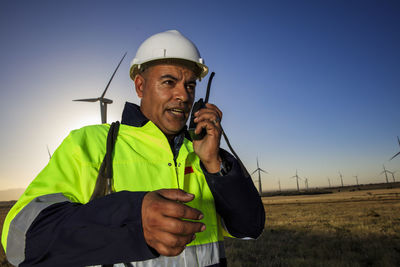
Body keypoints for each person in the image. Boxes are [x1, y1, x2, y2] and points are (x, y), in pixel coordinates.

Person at [2, 30, 265, 267]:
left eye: (190, 85)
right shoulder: (89, 144)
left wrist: (214, 164)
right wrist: (132, 218)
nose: (183, 96)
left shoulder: (204, 153)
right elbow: (20, 240)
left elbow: (250, 227)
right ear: (140, 86)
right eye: (168, 82)